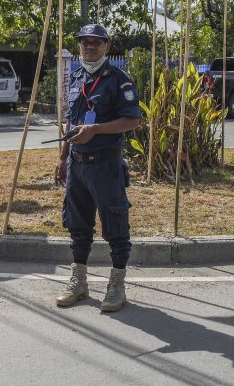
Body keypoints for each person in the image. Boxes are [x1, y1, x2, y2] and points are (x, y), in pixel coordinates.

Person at [54, 24, 143, 312]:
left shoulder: (119, 80)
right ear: (79, 46)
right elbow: (71, 121)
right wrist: (63, 157)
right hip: (77, 165)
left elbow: (133, 120)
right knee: (78, 226)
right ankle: (79, 282)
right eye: (85, 42)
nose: (90, 47)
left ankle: (117, 286)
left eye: (96, 42)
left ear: (107, 46)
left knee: (115, 226)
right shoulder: (76, 77)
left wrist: (96, 130)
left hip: (105, 165)